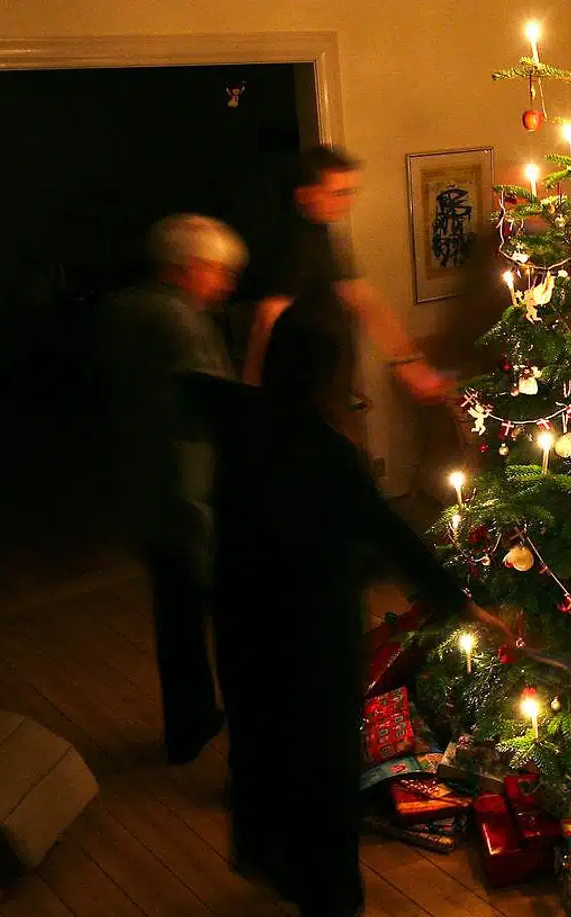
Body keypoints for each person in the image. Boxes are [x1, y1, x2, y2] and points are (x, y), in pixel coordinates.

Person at [185, 293, 503, 917]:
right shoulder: (327, 456)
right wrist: (461, 604)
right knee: (325, 764)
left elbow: (189, 389)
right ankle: (329, 895)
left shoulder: (236, 416)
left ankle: (268, 854)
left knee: (261, 742)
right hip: (312, 635)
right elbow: (392, 534)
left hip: (244, 623)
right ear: (327, 376)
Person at [105, 213, 246, 765]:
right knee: (229, 611)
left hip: (146, 483)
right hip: (188, 488)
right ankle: (244, 728)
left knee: (176, 615)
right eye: (219, 271)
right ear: (188, 268)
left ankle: (190, 723)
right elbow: (217, 405)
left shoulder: (126, 309)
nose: (225, 284)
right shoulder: (178, 322)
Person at [242, 145, 450, 408]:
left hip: (328, 381)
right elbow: (266, 318)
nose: (346, 202)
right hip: (300, 390)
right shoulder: (292, 243)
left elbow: (361, 298)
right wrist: (249, 395)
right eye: (338, 193)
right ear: (306, 194)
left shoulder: (321, 233)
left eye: (350, 192)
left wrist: (408, 364)